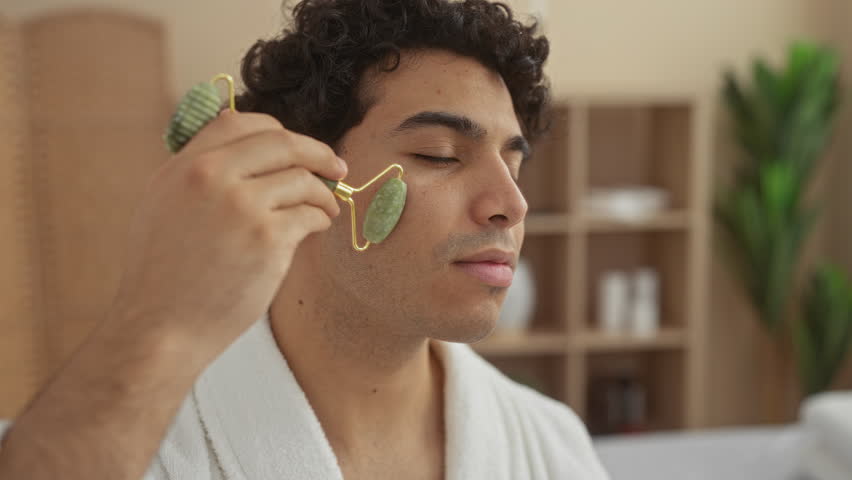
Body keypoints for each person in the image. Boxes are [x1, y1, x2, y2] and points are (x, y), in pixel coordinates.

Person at [0, 0, 610, 478]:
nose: (512, 204)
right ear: (306, 175)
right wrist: (158, 323)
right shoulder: (127, 445)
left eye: (514, 163)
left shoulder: (548, 443)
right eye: (440, 154)